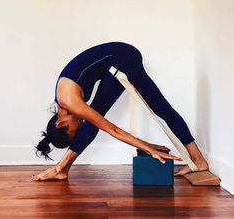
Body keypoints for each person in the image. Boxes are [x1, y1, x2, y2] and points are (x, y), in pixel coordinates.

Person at [32, 41, 208, 181]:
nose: (79, 127)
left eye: (74, 130)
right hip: (127, 55)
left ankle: (61, 168)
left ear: (60, 122)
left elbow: (112, 129)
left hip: (121, 58)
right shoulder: (64, 103)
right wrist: (147, 146)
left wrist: (148, 148)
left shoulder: (69, 101)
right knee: (162, 109)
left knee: (96, 117)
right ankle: (199, 161)